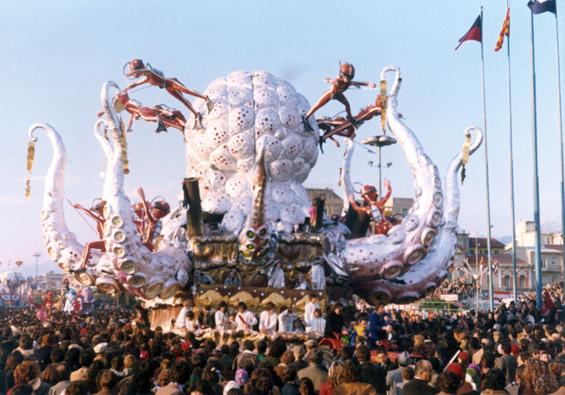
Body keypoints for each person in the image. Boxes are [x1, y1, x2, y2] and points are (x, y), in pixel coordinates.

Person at [122, 58, 213, 129]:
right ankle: (196, 115)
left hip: (171, 82)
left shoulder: (149, 72)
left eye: (135, 70)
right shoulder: (146, 78)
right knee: (183, 100)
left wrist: (130, 73)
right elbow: (135, 84)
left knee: (187, 91)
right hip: (168, 88)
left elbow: (141, 72)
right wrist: (126, 88)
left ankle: (206, 98)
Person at [303, 61, 376, 131]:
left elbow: (358, 83)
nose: (347, 80)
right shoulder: (338, 80)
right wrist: (331, 81)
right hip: (331, 94)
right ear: (341, 75)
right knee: (319, 104)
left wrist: (369, 84)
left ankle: (351, 119)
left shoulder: (348, 82)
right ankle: (306, 117)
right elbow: (326, 79)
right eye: (346, 78)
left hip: (338, 95)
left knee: (347, 104)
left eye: (349, 79)